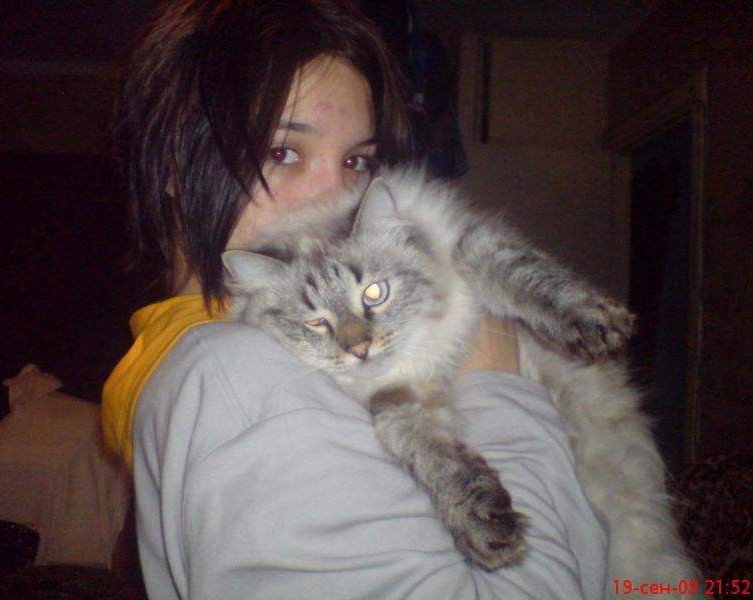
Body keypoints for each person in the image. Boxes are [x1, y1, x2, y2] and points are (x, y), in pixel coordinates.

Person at [102, 1, 608, 598]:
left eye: (356, 161)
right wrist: (499, 380)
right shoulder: (237, 376)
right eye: (283, 152)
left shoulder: (166, 352)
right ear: (174, 164)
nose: (336, 195)